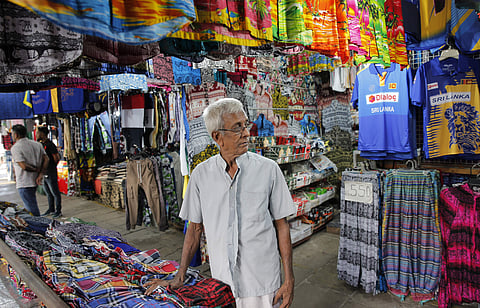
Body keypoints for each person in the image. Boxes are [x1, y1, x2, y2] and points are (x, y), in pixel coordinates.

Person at [144, 98, 296, 308]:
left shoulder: (269, 170)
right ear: (217, 137)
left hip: (263, 281)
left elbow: (282, 225)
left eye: (245, 125)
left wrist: (289, 280)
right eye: (237, 128)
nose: (246, 133)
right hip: (222, 282)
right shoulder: (200, 175)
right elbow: (194, 229)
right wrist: (180, 276)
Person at [10, 124, 49, 216]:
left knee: (31, 208)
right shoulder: (37, 144)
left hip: (24, 181)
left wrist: (36, 170)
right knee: (31, 204)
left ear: (16, 135)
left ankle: (38, 226)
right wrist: (40, 173)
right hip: (35, 179)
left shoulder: (16, 148)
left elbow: (23, 166)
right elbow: (46, 159)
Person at [36, 126, 62, 218]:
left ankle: (58, 210)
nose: (36, 134)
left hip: (50, 172)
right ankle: (51, 209)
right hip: (44, 172)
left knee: (55, 192)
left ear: (42, 134)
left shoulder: (50, 144)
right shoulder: (41, 144)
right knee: (48, 192)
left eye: (38, 132)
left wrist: (51, 166)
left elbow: (57, 157)